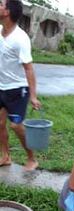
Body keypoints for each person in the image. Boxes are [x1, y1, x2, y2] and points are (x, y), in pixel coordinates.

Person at [0, 0, 41, 170]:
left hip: (18, 90)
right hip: (1, 87)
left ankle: (32, 158)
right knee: (0, 124)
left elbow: (29, 69)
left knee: (16, 125)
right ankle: (6, 156)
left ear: (7, 11)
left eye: (1, 4)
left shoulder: (20, 38)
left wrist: (33, 96)